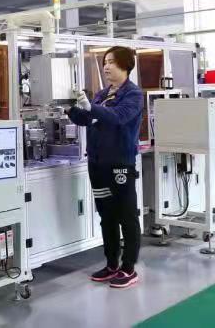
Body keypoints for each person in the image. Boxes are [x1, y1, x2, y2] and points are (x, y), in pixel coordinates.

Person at [67, 46, 144, 289]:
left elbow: (118, 117)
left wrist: (91, 107)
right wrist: (70, 107)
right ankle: (111, 264)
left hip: (119, 164)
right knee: (107, 216)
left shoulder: (133, 95)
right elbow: (86, 119)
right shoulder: (101, 94)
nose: (106, 66)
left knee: (126, 216)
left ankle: (128, 268)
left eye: (111, 61)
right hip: (97, 164)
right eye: (105, 62)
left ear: (125, 65)